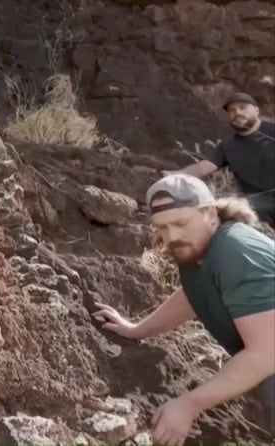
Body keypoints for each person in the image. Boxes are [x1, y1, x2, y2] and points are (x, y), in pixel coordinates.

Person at [92, 173, 275, 445]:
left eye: (180, 223)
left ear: (210, 214)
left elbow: (265, 354)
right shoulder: (200, 247)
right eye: (162, 227)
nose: (172, 236)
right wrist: (137, 329)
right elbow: (195, 294)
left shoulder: (238, 253)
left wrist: (189, 404)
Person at [165, 92, 275, 228]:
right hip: (258, 204)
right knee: (230, 215)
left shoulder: (272, 130)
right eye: (231, 110)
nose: (237, 113)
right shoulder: (227, 146)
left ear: (256, 110)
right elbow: (204, 167)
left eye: (242, 107)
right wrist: (175, 175)